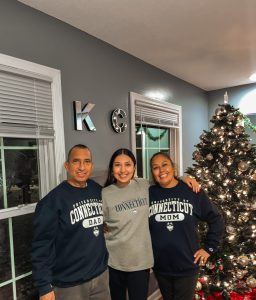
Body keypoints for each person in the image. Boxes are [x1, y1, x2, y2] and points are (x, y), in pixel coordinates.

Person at [102, 148, 200, 300]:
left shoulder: (144, 185)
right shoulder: (105, 193)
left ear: (134, 167)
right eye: (117, 165)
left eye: (127, 164)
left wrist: (182, 178)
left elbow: (164, 178)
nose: (123, 170)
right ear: (111, 168)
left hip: (141, 263)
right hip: (114, 263)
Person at [31, 144, 111, 300]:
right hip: (69, 284)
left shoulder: (98, 191)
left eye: (87, 161)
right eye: (76, 161)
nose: (82, 167)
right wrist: (44, 286)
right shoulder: (51, 202)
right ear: (67, 165)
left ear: (91, 166)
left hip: (100, 277)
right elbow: (42, 246)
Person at [149, 152, 224, 300]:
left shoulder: (192, 192)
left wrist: (209, 248)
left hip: (187, 266)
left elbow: (216, 219)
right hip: (161, 267)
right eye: (155, 167)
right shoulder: (149, 193)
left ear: (173, 168)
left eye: (165, 165)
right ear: (152, 173)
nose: (161, 170)